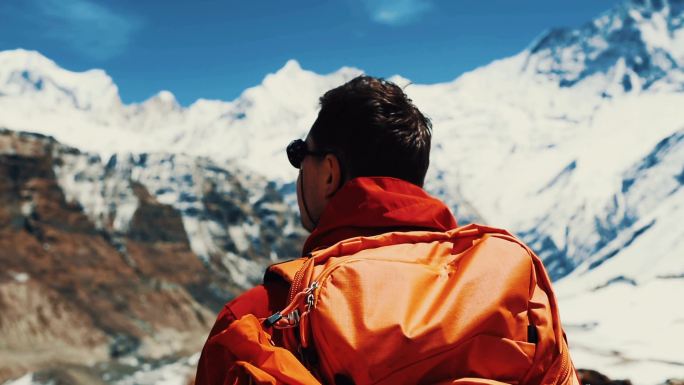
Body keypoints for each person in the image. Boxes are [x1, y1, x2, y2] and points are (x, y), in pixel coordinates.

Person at [195, 76, 578, 385]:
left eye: (300, 155)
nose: (299, 171)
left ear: (330, 172)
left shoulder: (261, 318)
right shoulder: (515, 293)